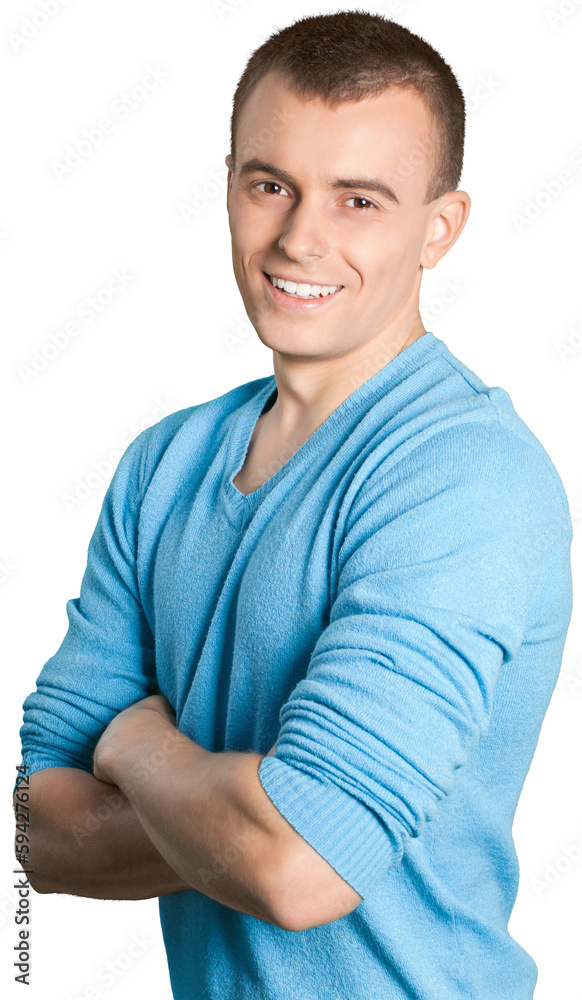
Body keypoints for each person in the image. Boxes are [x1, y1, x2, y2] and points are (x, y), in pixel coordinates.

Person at [14, 10, 573, 1000]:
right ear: (230, 183)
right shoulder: (163, 465)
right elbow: (42, 832)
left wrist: (138, 744)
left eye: (359, 200)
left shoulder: (465, 475)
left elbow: (301, 869)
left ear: (439, 228)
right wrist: (253, 815)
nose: (300, 238)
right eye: (271, 185)